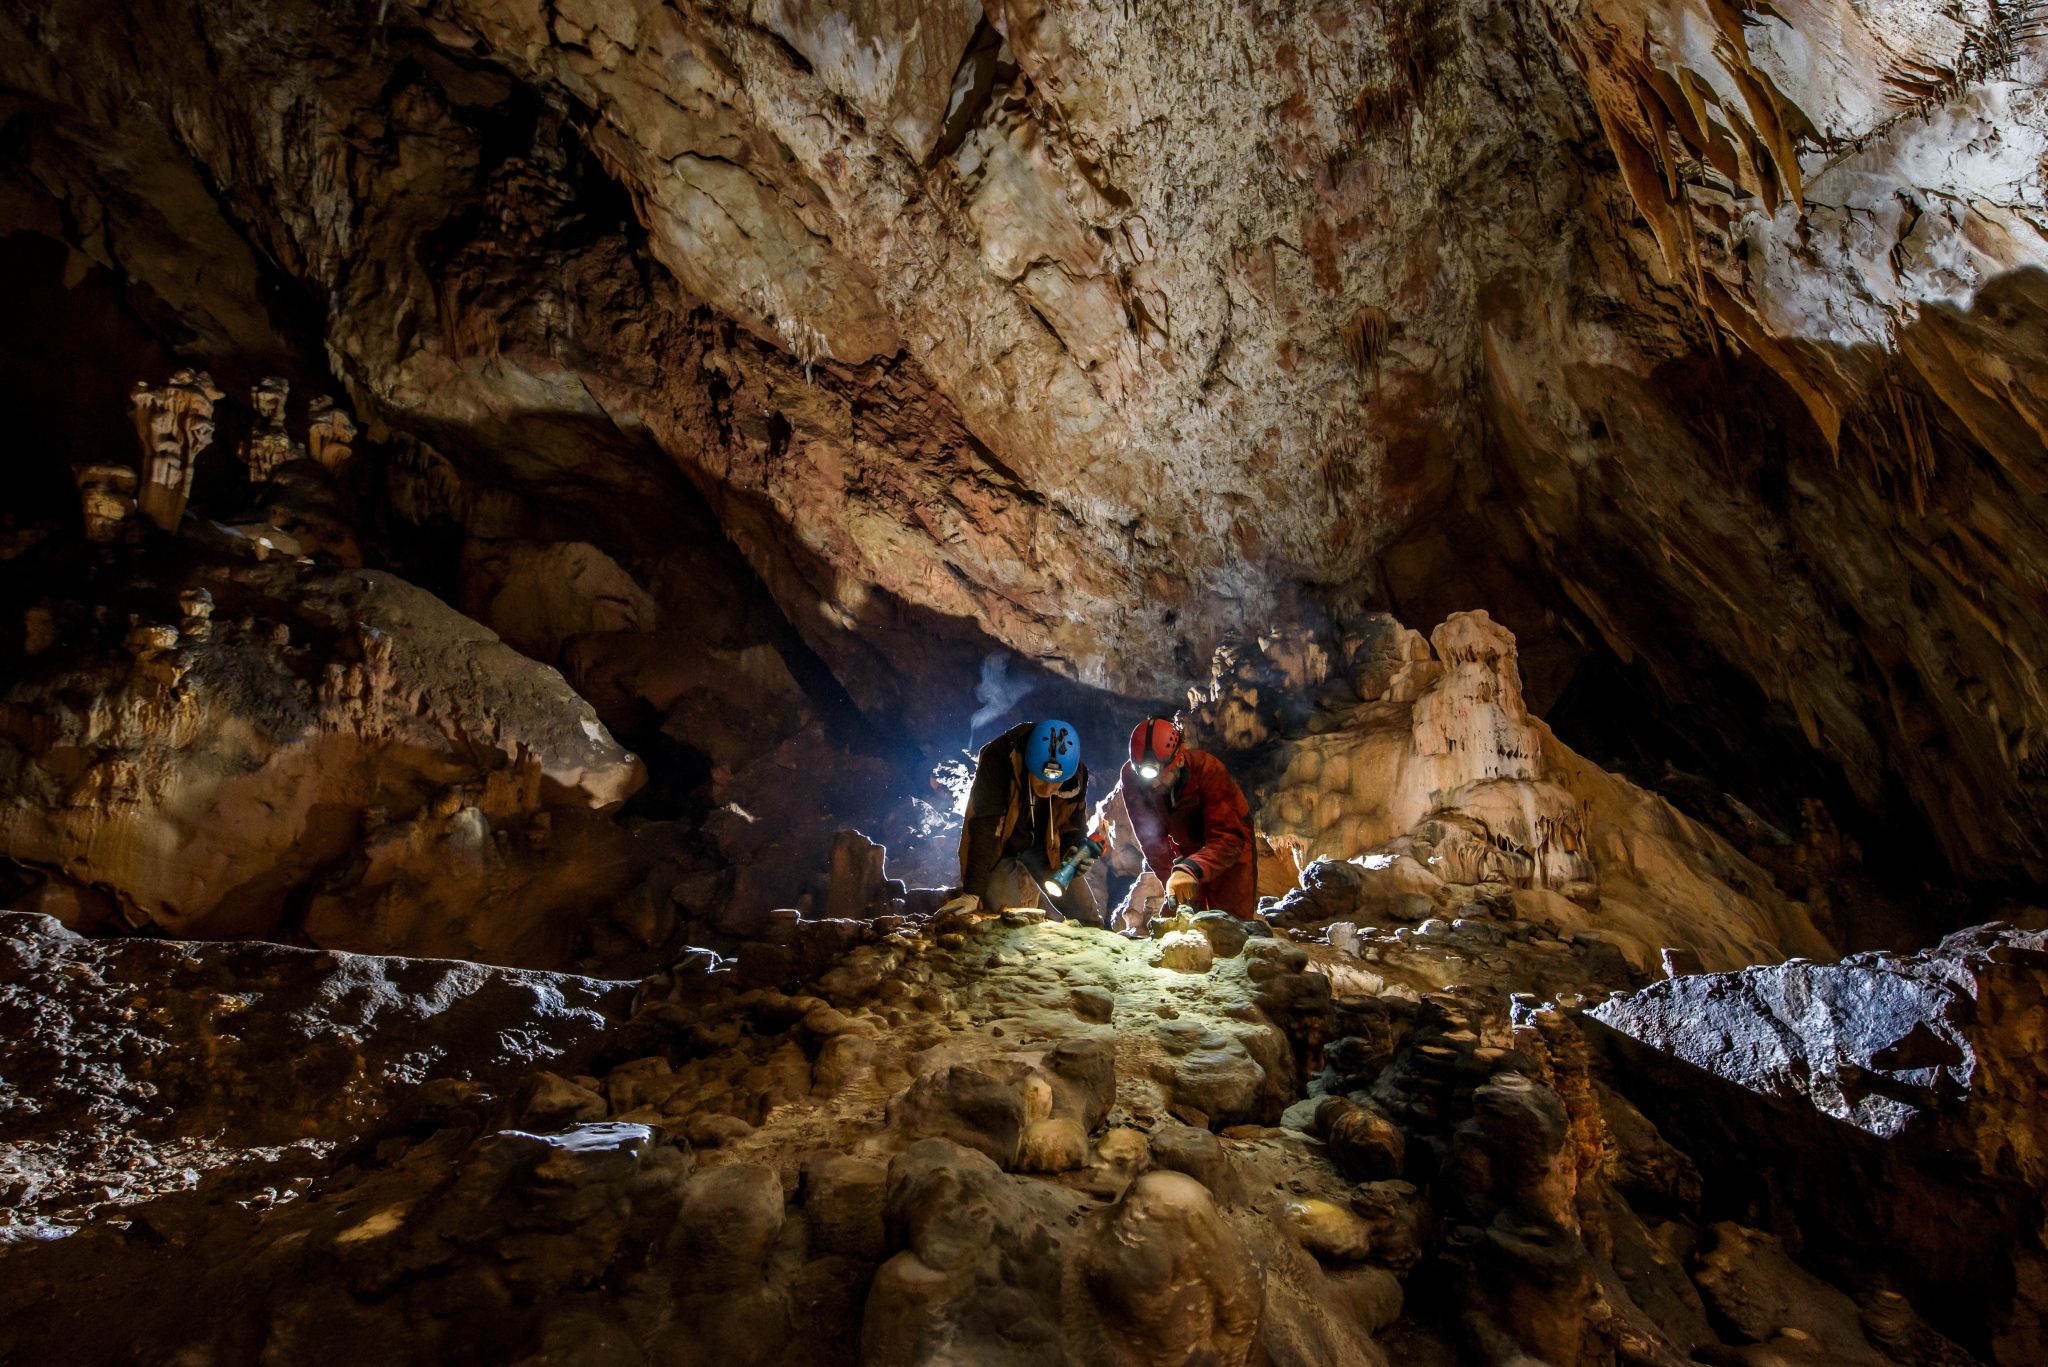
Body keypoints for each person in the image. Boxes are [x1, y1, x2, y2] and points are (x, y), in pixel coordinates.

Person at [955, 718, 1102, 923]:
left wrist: (1074, 852)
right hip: (1001, 846)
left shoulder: (1075, 776)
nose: (1048, 790)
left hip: (1044, 845)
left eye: (1056, 783)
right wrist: (971, 892)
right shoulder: (1000, 759)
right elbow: (983, 826)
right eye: (1042, 779)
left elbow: (1074, 822)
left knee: (1087, 915)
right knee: (1008, 918)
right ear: (1029, 764)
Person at [1116, 716, 1256, 921]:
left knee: (1230, 924)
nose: (1154, 786)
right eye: (1147, 779)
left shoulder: (1209, 770)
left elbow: (1228, 838)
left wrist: (1191, 869)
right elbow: (1152, 842)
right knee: (1182, 915)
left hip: (1229, 845)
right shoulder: (1131, 777)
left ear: (1179, 760)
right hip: (1186, 846)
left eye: (1160, 776)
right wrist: (1173, 880)